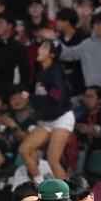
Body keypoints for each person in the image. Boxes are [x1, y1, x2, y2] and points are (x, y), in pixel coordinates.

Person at [19, 40, 72, 182]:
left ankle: (66, 198)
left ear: (52, 55)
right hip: (47, 119)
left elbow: (55, 99)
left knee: (53, 159)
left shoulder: (55, 72)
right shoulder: (41, 70)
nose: (39, 49)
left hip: (62, 117)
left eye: (44, 47)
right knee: (24, 150)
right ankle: (40, 184)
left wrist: (31, 97)